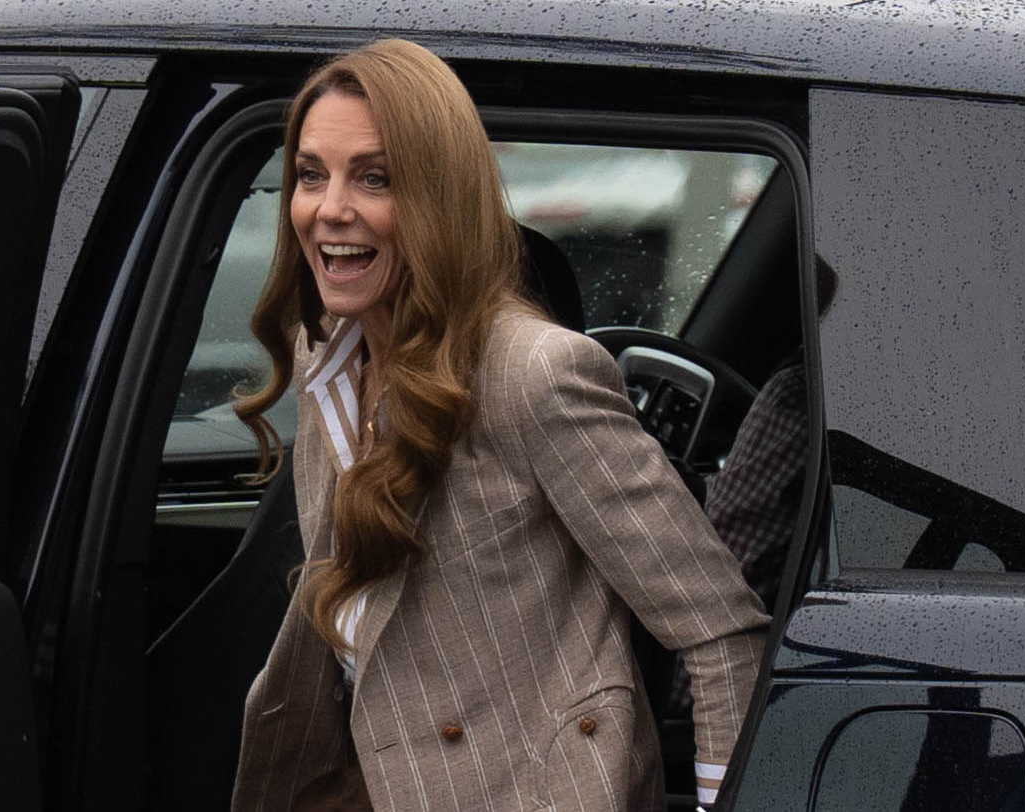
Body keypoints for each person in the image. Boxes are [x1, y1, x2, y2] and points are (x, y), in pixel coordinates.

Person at [231, 39, 769, 812]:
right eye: (311, 174)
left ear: (440, 197)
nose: (329, 208)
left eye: (374, 178)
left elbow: (722, 638)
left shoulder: (536, 372)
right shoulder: (324, 355)